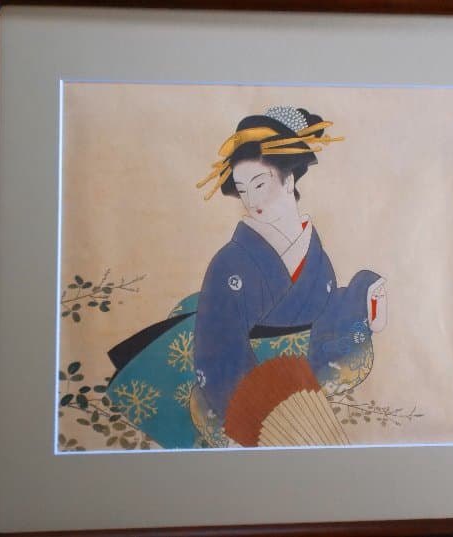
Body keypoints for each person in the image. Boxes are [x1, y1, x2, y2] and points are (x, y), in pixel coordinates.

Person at [106, 106, 387, 449]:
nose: (251, 200)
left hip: (303, 399)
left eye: (259, 184)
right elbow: (219, 348)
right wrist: (250, 412)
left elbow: (326, 312)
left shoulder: (317, 258)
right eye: (242, 189)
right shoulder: (229, 264)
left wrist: (361, 297)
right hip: (251, 403)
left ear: (288, 179)